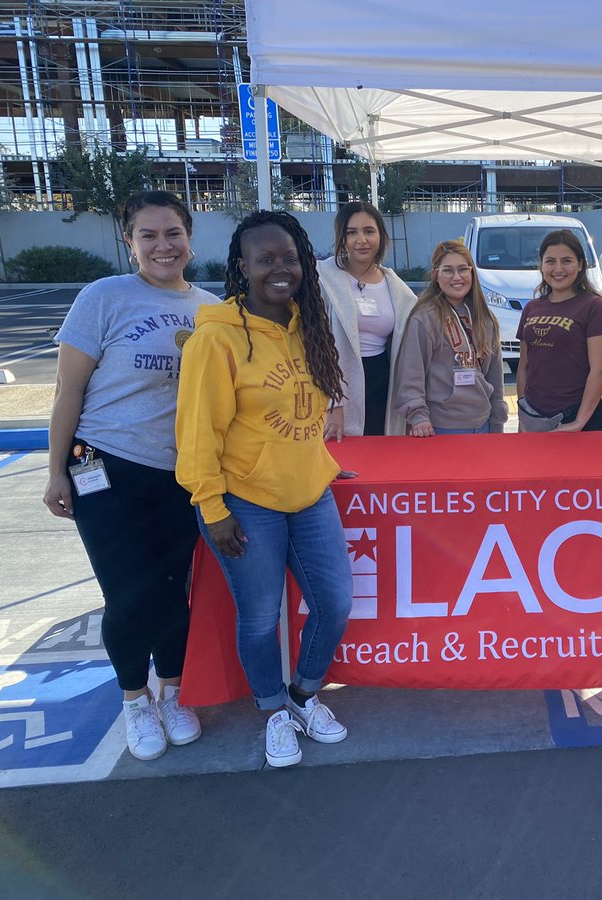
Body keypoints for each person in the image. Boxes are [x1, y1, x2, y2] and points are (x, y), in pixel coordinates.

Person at [175, 210, 355, 769]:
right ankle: (273, 709)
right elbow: (197, 431)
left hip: (309, 495)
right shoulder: (216, 339)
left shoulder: (310, 324)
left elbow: (306, 413)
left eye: (290, 258)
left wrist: (317, 460)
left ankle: (303, 695)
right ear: (242, 267)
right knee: (259, 618)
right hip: (244, 502)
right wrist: (211, 505)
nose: (281, 269)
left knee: (335, 602)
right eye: (266, 259)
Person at [43, 190, 218, 761]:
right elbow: (68, 390)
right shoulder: (105, 297)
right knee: (126, 594)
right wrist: (56, 472)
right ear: (130, 243)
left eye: (173, 233)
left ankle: (172, 691)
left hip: (179, 473)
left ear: (190, 237)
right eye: (148, 235)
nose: (162, 245)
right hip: (103, 465)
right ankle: (134, 700)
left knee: (174, 592)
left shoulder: (211, 310)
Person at [318, 201, 418, 437]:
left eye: (369, 231)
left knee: (382, 460)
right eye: (352, 232)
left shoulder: (396, 286)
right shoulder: (323, 278)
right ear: (342, 239)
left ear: (381, 237)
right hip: (338, 382)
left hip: (383, 384)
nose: (361, 240)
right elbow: (315, 345)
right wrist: (334, 402)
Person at [393, 240, 507, 436]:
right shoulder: (424, 318)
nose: (457, 277)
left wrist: (498, 421)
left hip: (483, 424)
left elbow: (495, 377)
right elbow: (411, 374)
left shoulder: (485, 319)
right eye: (448, 270)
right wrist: (418, 417)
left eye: (463, 269)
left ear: (472, 273)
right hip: (440, 427)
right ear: (436, 274)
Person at [516, 230, 602, 432]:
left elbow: (599, 370)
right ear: (542, 265)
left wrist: (578, 422)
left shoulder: (594, 307)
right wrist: (523, 415)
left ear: (580, 265)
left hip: (574, 417)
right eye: (550, 261)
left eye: (567, 261)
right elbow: (524, 366)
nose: (558, 268)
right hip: (535, 416)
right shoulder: (532, 308)